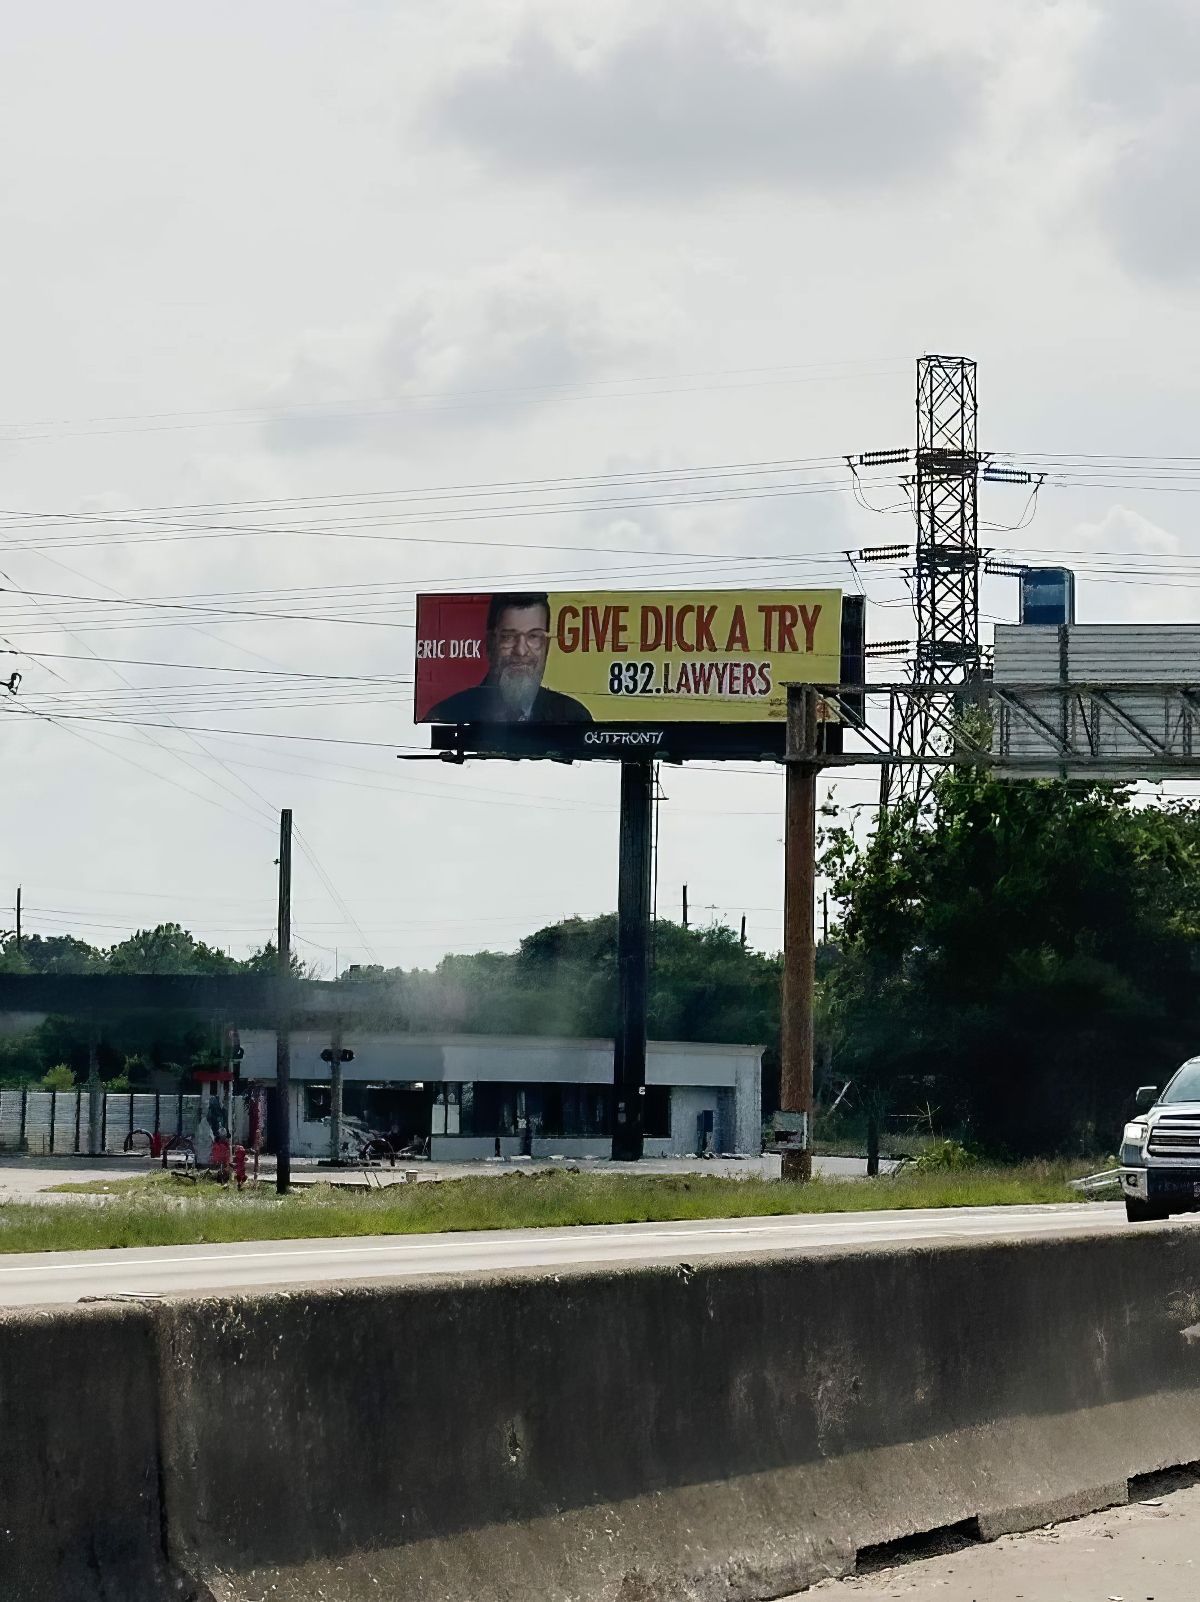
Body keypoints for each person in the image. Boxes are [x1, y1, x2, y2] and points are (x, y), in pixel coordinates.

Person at [426, 592, 591, 723]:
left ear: (546, 646)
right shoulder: (447, 715)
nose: (520, 651)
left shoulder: (573, 717)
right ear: (490, 645)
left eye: (533, 637)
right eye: (508, 637)